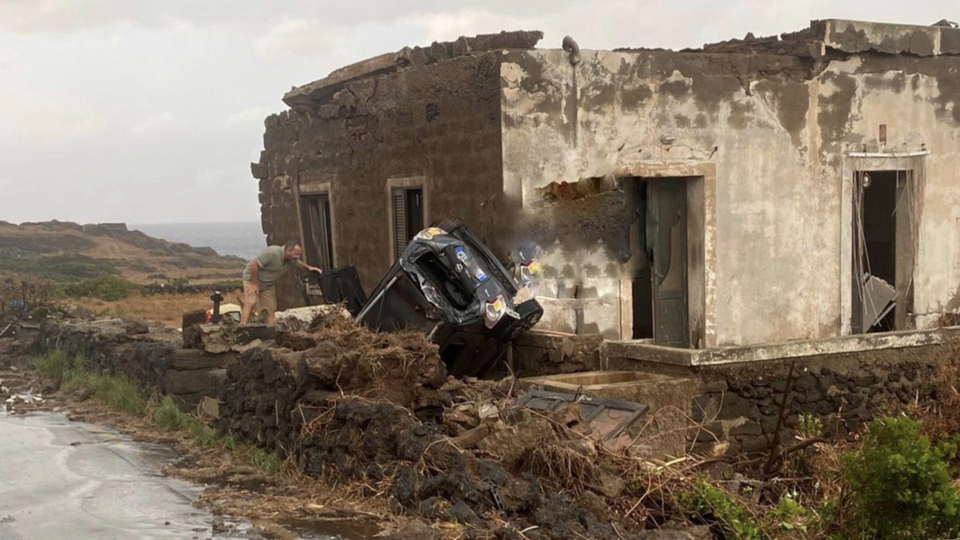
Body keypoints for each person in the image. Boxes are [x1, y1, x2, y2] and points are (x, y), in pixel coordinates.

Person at [240, 242, 321, 326]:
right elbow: (254, 264)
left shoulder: (291, 260)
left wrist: (309, 268)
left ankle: (270, 330)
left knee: (271, 309)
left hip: (268, 284)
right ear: (288, 251)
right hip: (253, 279)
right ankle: (242, 327)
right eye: (296, 254)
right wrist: (253, 284)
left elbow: (299, 263)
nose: (298, 257)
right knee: (251, 302)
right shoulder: (272, 252)